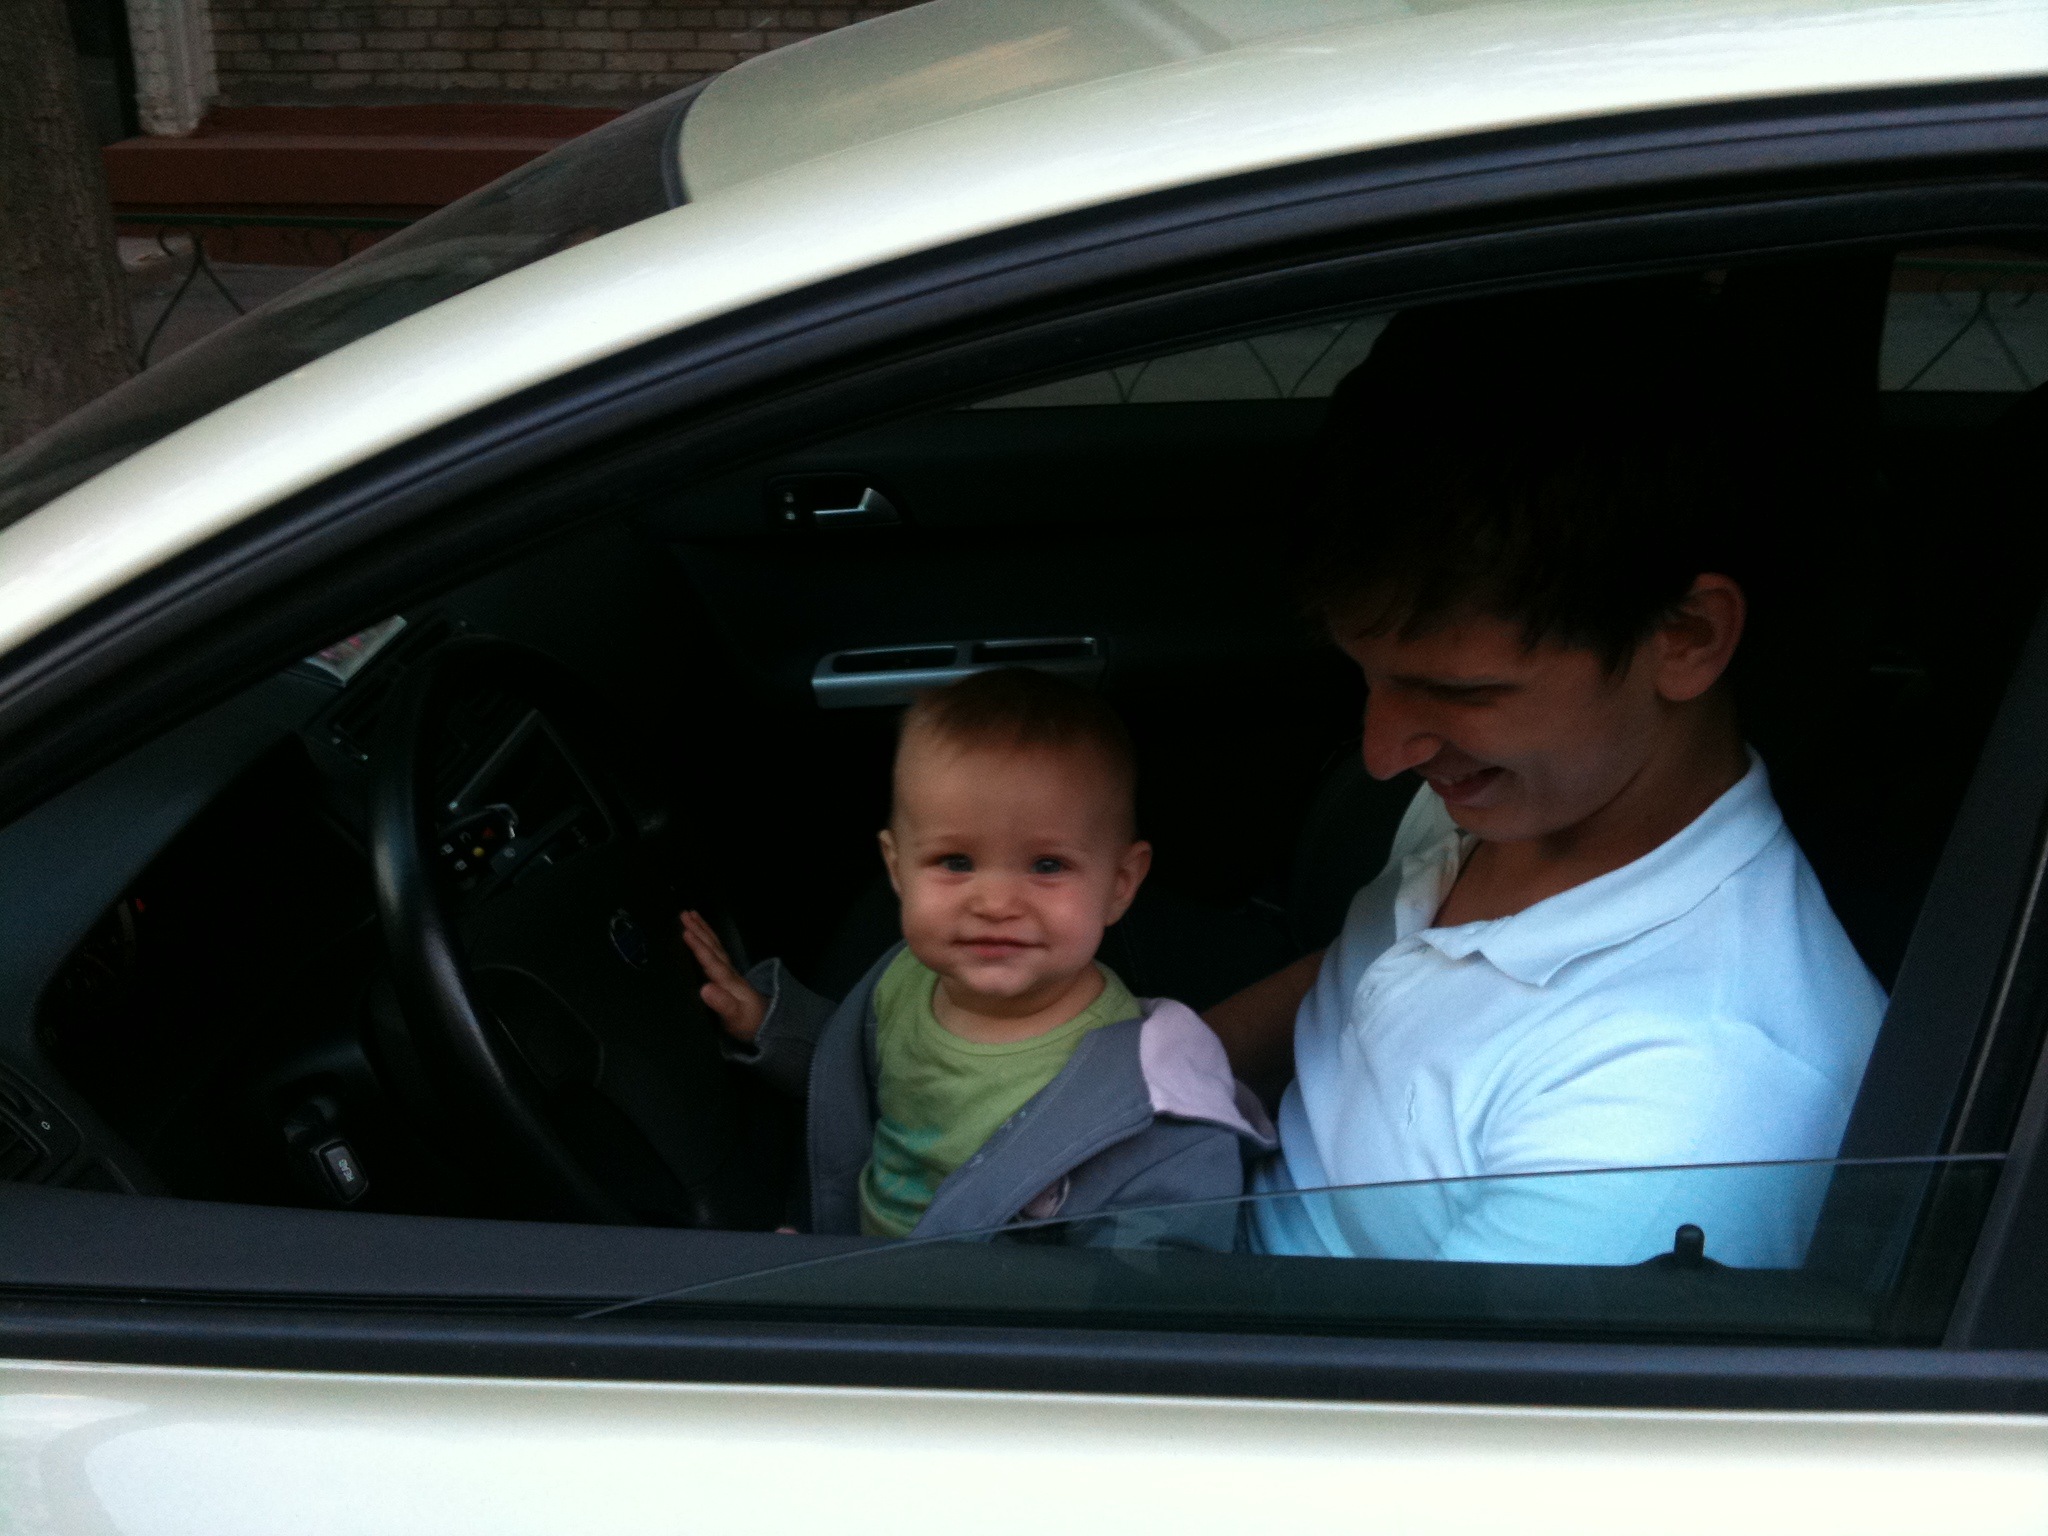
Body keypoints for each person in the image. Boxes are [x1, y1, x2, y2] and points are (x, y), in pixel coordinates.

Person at [1208, 432, 1887, 1267]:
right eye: (1369, 677)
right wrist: (1131, 1082)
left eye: (1462, 692)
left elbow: (1431, 1367)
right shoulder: (1526, 799)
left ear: (1687, 637)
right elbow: (1388, 974)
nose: (1383, 754)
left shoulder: (1678, 1113)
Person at [682, 666, 1274, 1241]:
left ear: (1120, 883)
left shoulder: (1137, 1093)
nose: (994, 903)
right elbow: (855, 1068)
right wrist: (771, 1024)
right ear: (897, 868)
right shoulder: (902, 979)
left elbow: (1155, 1263)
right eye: (956, 861)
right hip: (851, 1252)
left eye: (1047, 865)